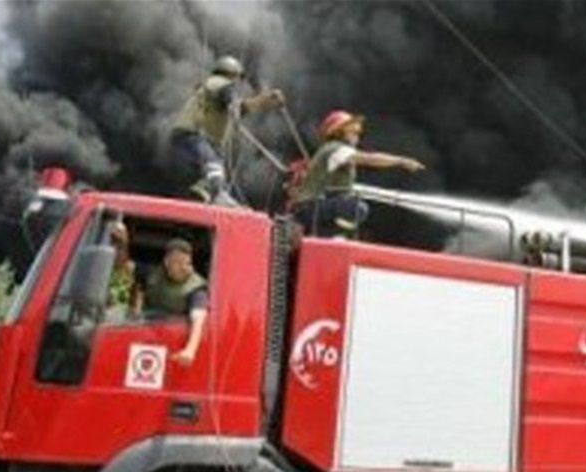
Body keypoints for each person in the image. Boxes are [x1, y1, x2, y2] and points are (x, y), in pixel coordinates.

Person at [289, 110, 426, 237]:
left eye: (357, 130)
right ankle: (332, 235)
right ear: (338, 132)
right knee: (357, 208)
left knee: (352, 206)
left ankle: (331, 235)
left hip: (310, 208)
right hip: (310, 209)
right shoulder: (335, 149)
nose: (357, 134)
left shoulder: (330, 150)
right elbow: (370, 159)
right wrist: (401, 161)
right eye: (352, 130)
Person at [170, 55, 285, 206]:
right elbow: (229, 99)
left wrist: (265, 100)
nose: (238, 83)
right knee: (214, 164)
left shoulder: (213, 90)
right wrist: (234, 103)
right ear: (232, 74)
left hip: (195, 136)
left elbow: (241, 108)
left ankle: (205, 191)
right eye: (237, 78)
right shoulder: (218, 83)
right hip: (193, 133)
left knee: (216, 169)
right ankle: (217, 194)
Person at [144, 238, 209, 366]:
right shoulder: (155, 275)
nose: (184, 268)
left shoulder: (196, 288)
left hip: (172, 339)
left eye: (188, 263)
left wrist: (190, 350)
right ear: (167, 263)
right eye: (179, 263)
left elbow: (198, 319)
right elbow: (125, 265)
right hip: (148, 330)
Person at [106, 221, 141, 318]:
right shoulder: (97, 264)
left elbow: (136, 301)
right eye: (113, 243)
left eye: (120, 245)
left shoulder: (131, 269)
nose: (116, 249)